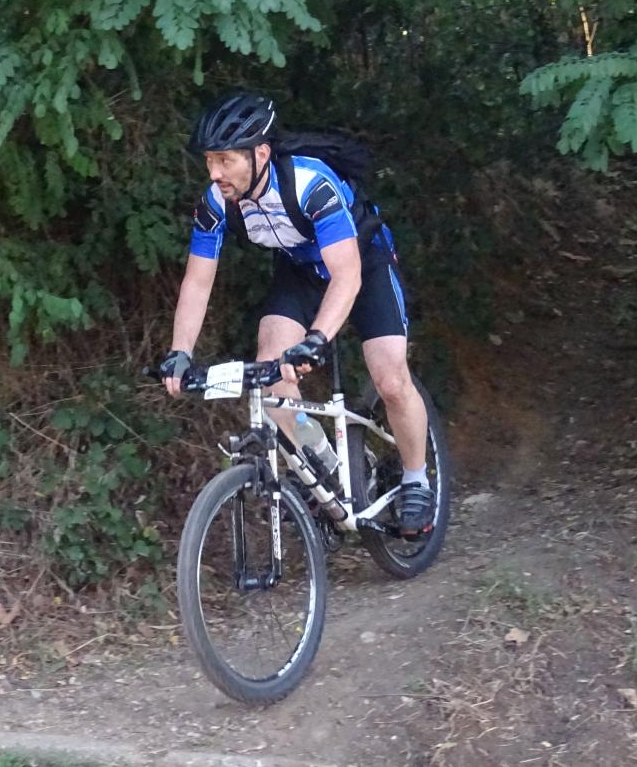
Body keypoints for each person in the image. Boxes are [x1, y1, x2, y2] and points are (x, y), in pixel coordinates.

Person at [159, 91, 435, 536]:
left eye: (225, 160)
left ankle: (416, 478)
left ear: (260, 154)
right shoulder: (216, 201)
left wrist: (317, 338)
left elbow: (347, 276)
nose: (214, 173)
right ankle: (322, 469)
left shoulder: (310, 184)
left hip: (362, 263)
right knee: (272, 376)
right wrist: (179, 353)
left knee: (390, 379)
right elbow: (197, 282)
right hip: (300, 269)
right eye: (209, 160)